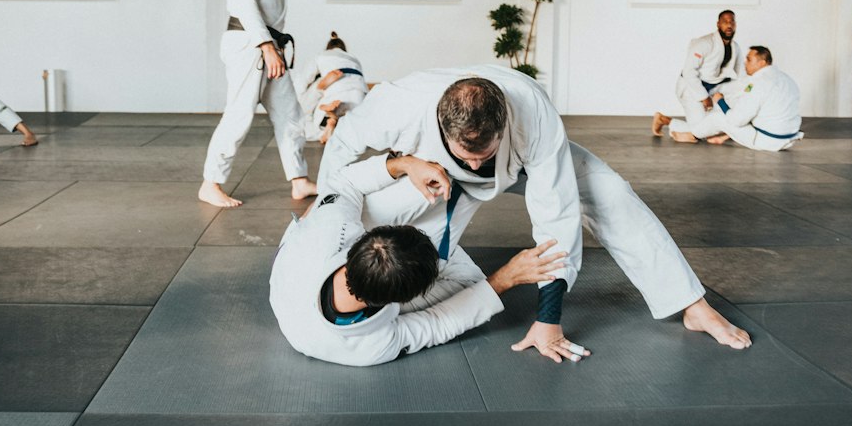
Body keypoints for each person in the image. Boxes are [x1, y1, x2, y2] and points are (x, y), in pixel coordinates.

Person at [318, 66, 751, 361]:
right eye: (465, 155)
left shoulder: (532, 112)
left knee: (612, 193)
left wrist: (549, 320)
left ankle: (690, 303)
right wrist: (323, 228)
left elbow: (556, 212)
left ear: (502, 125)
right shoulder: (398, 104)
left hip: (519, 164)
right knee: (393, 241)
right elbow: (341, 151)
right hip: (430, 173)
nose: (474, 165)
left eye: (480, 154)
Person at [270, 153, 570, 366]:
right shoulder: (371, 347)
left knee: (408, 188)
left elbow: (344, 181)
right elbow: (438, 324)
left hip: (301, 252)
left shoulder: (327, 232)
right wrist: (506, 278)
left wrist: (406, 164)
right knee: (472, 282)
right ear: (402, 300)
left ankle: (456, 181)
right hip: (320, 292)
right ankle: (469, 194)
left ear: (361, 242)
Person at [198, 0, 316, 209]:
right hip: (250, 43)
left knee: (291, 114)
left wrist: (272, 46)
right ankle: (211, 183)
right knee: (239, 114)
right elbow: (243, 2)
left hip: (268, 45)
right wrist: (266, 46)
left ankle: (299, 180)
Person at [664, 46, 803, 152]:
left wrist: (720, 101)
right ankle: (721, 136)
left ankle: (691, 135)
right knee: (741, 108)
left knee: (717, 117)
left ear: (762, 63)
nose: (745, 63)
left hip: (767, 141)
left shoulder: (757, 83)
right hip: (788, 138)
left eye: (749, 59)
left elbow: (736, 120)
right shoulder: (786, 79)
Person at [652, 9, 740, 138]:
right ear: (718, 24)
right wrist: (704, 97)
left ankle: (692, 132)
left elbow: (741, 73)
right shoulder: (704, 43)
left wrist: (749, 91)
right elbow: (689, 72)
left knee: (735, 99)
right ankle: (664, 120)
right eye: (725, 22)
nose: (729, 25)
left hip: (712, 87)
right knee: (701, 131)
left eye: (732, 21)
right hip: (690, 88)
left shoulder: (735, 47)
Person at [298, 32, 369, 143]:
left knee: (300, 127)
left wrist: (301, 101)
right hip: (359, 99)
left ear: (328, 48)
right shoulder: (355, 60)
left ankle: (327, 126)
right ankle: (335, 124)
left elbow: (302, 81)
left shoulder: (322, 55)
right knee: (355, 131)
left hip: (334, 94)